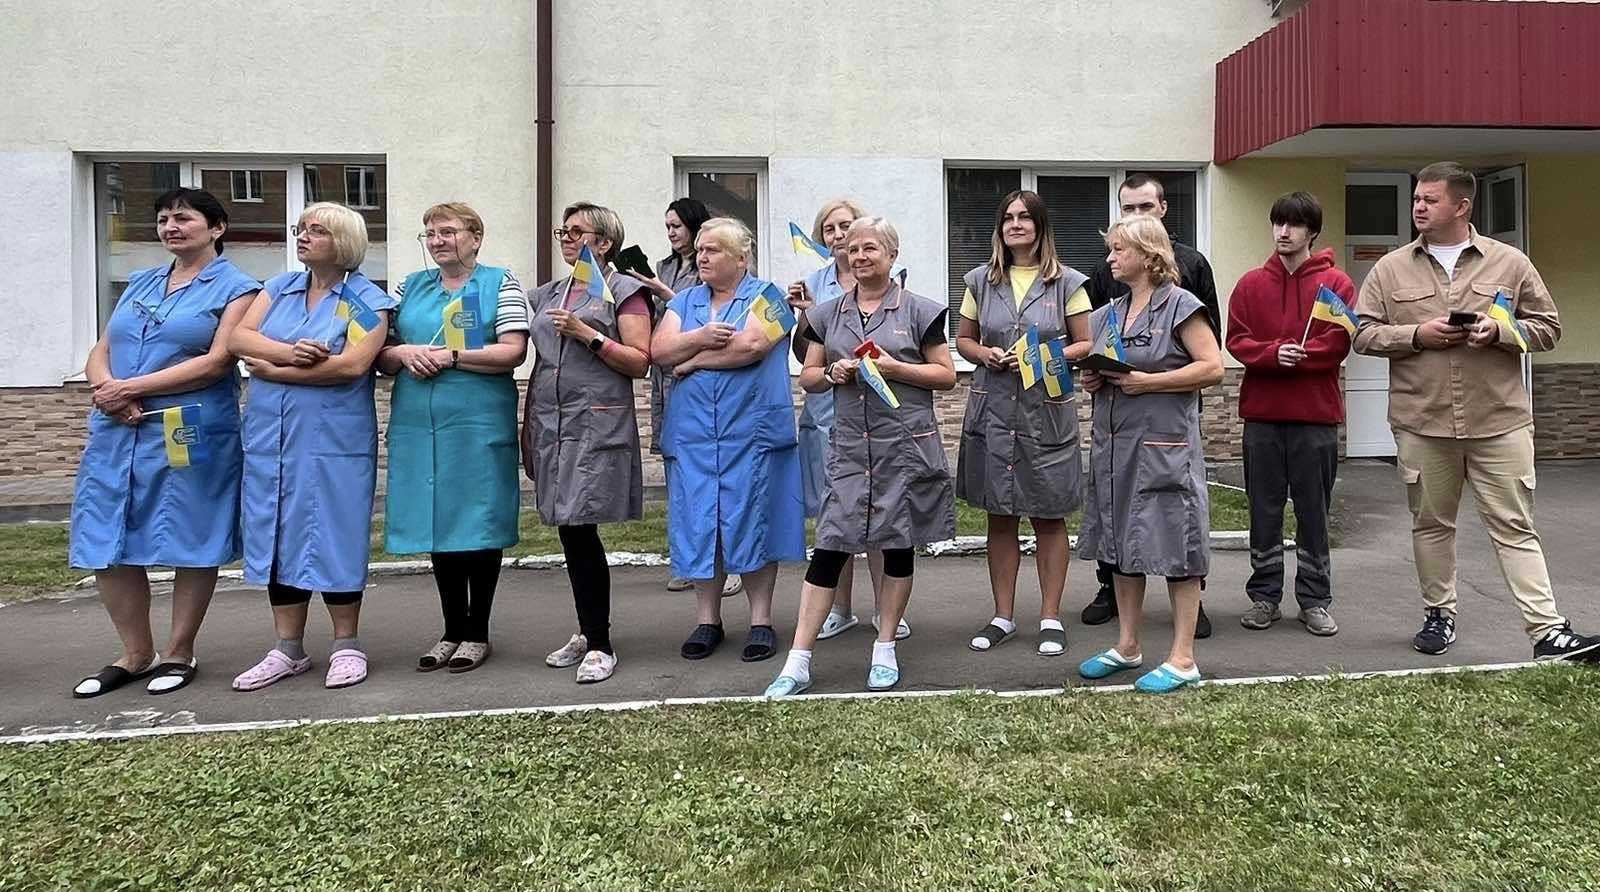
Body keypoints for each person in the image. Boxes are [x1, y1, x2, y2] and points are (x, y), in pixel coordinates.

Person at [1353, 161, 1600, 662]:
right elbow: (1362, 334)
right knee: (1431, 525)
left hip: (1499, 422)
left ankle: (1547, 632)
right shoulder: (1390, 268)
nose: (1418, 207)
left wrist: (1501, 332)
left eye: (1430, 199)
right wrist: (1417, 335)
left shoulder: (1510, 262)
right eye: (1416, 198)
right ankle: (1438, 615)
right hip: (1423, 422)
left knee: (1514, 526)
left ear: (1462, 206)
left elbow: (1549, 327)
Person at [69, 188, 260, 698]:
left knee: (190, 534)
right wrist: (106, 389)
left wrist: (130, 388)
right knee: (106, 536)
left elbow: (217, 361)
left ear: (216, 227)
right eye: (162, 219)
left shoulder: (238, 288)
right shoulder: (141, 282)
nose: (170, 227)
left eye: (183, 218)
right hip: (118, 426)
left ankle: (178, 651)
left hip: (187, 427)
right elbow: (103, 346)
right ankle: (134, 654)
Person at [765, 217, 954, 695]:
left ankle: (885, 646)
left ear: (892, 254)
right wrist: (832, 372)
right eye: (853, 249)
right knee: (831, 545)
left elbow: (947, 375)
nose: (860, 256)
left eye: (871, 248)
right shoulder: (825, 315)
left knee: (897, 545)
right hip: (849, 448)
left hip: (902, 447)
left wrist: (894, 368)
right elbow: (808, 377)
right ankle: (798, 661)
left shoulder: (921, 311)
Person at [229, 202, 395, 691]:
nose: (302, 236)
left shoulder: (367, 300)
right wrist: (290, 353)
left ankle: (347, 644)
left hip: (333, 439)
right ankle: (288, 648)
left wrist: (274, 370)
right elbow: (238, 338)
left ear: (343, 242)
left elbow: (351, 366)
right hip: (271, 436)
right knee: (277, 531)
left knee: (334, 529)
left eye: (316, 230)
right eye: (300, 229)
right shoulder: (278, 288)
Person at [379, 203, 529, 674]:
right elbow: (378, 353)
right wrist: (403, 352)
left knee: (477, 521)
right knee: (437, 521)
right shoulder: (408, 287)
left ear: (475, 237)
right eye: (429, 233)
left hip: (477, 422)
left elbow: (514, 351)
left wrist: (452, 357)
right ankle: (451, 629)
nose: (437, 240)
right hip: (418, 425)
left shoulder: (500, 282)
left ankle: (476, 631)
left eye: (447, 231)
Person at [1076, 215, 1223, 694]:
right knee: (1121, 545)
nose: (1110, 258)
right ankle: (1128, 646)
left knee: (1178, 546)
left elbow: (1212, 368)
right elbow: (1108, 368)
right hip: (1115, 449)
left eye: (1119, 249)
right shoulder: (1108, 313)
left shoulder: (1182, 306)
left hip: (1165, 450)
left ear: (1147, 253)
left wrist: (1149, 383)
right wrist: (1093, 378)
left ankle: (1183, 658)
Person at [651, 217, 806, 663]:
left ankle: (761, 621)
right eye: (700, 249)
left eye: (713, 249)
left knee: (756, 521)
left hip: (751, 433)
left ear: (741, 257)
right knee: (702, 523)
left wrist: (694, 360)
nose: (701, 256)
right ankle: (708, 621)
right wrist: (700, 338)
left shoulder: (770, 297)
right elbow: (659, 352)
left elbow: (751, 347)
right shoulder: (684, 300)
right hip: (694, 436)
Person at [522, 202, 654, 684]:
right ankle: (587, 629)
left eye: (577, 232)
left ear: (604, 242)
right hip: (551, 421)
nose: (567, 238)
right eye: (564, 230)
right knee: (568, 528)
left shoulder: (624, 291)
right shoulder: (547, 293)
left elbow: (640, 361)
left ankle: (600, 643)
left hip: (595, 422)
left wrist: (587, 335)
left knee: (579, 527)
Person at [955, 190, 1091, 658]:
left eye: (1024, 217)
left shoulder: (1068, 283)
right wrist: (985, 354)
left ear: (1040, 226)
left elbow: (1085, 343)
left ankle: (1050, 616)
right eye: (1008, 218)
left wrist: (1042, 355)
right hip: (994, 412)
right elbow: (964, 339)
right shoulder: (980, 280)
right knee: (1000, 515)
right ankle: (1003, 616)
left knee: (1049, 517)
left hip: (1045, 413)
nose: (1015, 224)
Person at [1224, 191, 1353, 636]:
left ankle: (1315, 600)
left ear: (1311, 231)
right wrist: (1273, 353)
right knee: (1264, 509)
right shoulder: (1249, 285)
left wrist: (1303, 356)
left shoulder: (1336, 285)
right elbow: (1236, 339)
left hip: (1315, 417)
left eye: (1293, 224)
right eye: (1278, 223)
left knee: (1314, 511)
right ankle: (1264, 597)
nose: (1283, 232)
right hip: (1262, 417)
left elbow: (1339, 341)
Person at [787, 198, 898, 643]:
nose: (837, 235)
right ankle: (840, 608)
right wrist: (806, 315)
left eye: (845, 227)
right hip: (827, 417)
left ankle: (887, 610)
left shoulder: (886, 280)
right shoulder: (811, 282)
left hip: (877, 415)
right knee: (836, 517)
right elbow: (804, 357)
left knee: (883, 516)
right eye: (829, 229)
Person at [632, 198, 740, 596]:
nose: (671, 233)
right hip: (668, 380)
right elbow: (662, 329)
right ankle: (691, 561)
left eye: (676, 226)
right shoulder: (665, 266)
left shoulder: (714, 272)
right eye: (667, 227)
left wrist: (663, 294)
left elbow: (717, 325)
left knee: (720, 482)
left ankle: (729, 564)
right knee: (681, 477)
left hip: (705, 380)